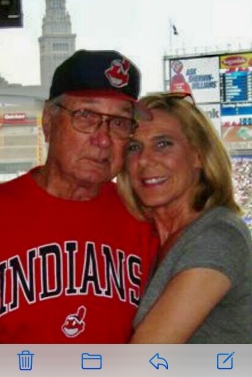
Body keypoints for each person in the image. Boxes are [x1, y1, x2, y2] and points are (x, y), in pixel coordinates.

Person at [0, 49, 158, 344]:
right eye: (86, 115)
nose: (103, 138)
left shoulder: (146, 215)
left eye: (120, 123)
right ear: (49, 121)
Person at [118, 91, 252, 343]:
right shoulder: (143, 236)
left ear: (198, 155)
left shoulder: (219, 236)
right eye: (134, 147)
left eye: (163, 144)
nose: (144, 160)